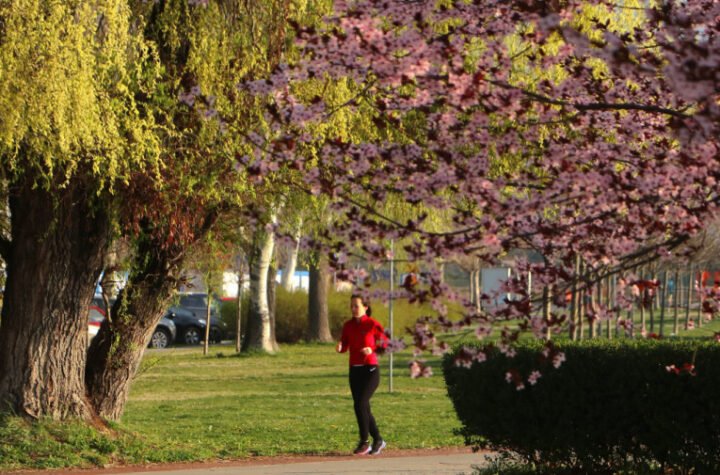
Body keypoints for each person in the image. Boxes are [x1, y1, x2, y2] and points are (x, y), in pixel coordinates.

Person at [336, 294, 388, 456]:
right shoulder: (348, 326)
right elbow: (345, 344)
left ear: (365, 307)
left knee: (360, 404)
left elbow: (385, 343)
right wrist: (340, 347)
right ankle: (378, 440)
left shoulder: (372, 324)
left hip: (370, 370)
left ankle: (364, 442)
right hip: (355, 370)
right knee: (363, 406)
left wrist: (372, 349)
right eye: (351, 306)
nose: (353, 309)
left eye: (356, 306)